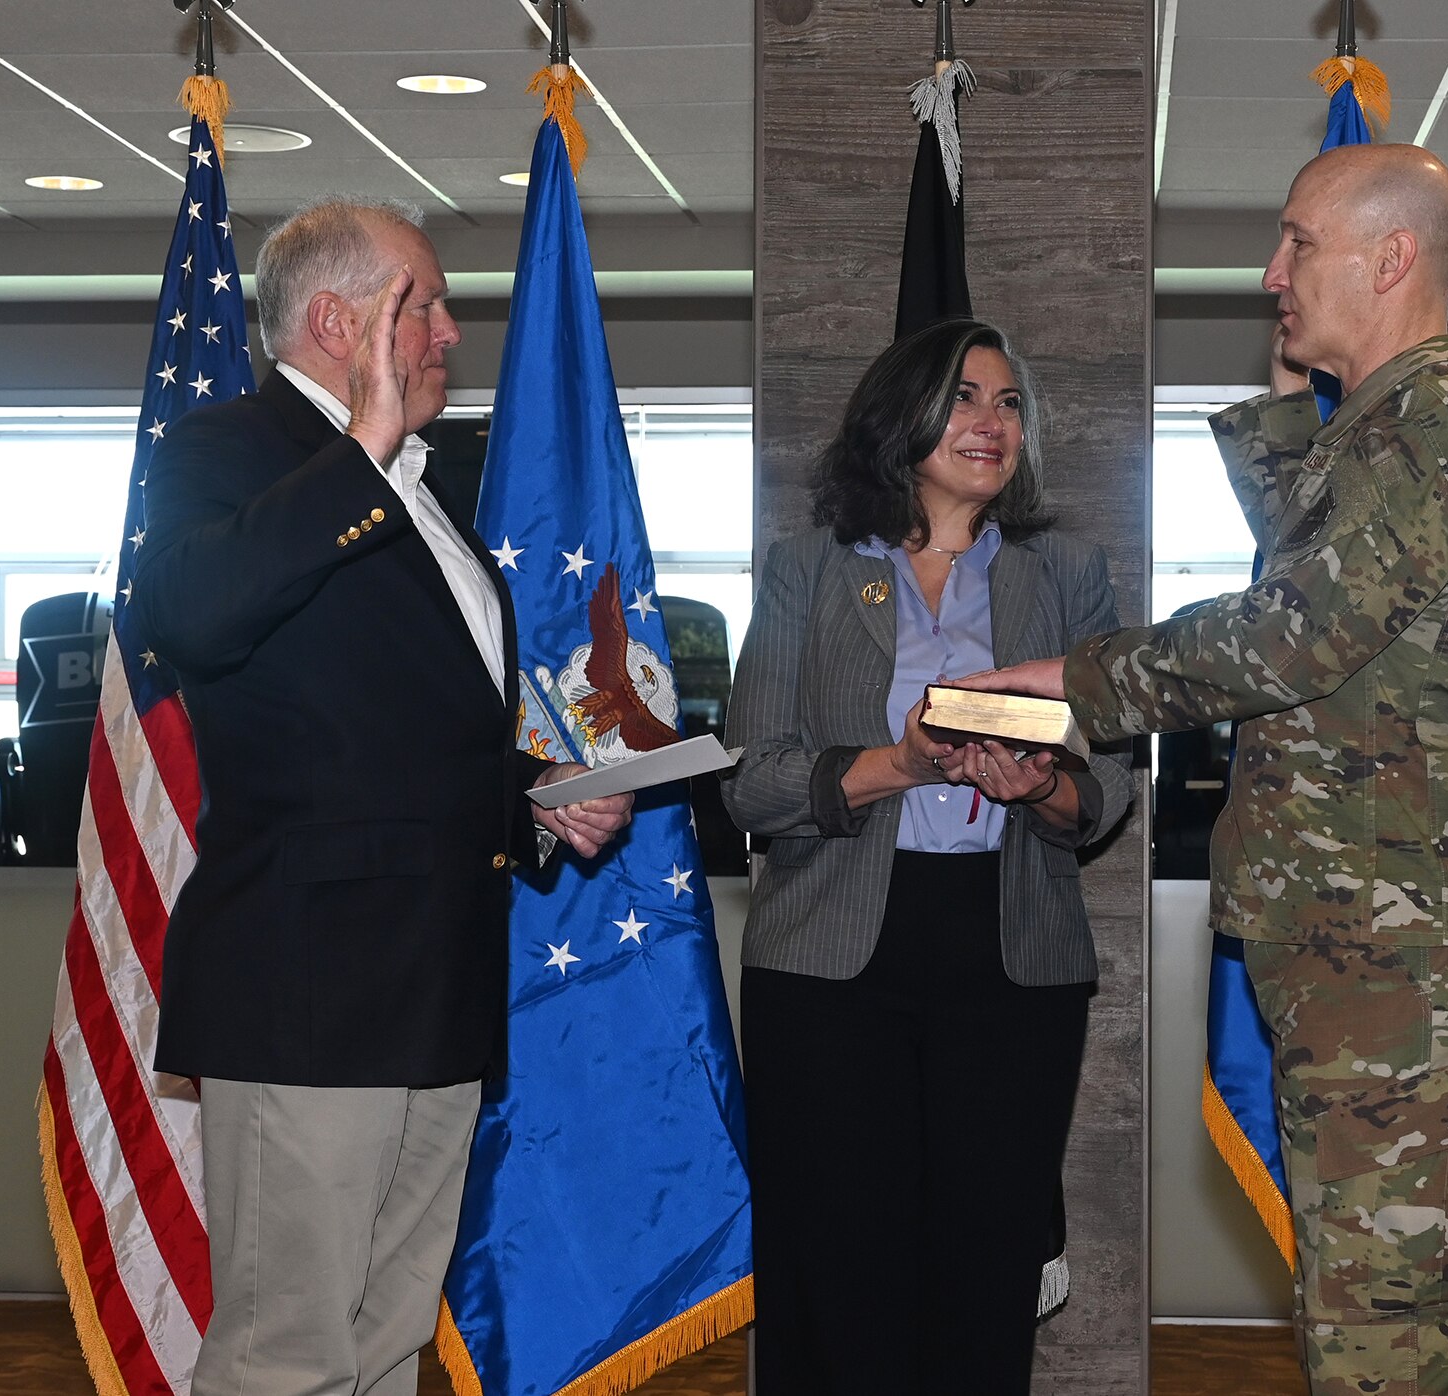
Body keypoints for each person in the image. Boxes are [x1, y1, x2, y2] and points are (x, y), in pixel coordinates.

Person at [969, 144, 1448, 1394]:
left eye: (1296, 243)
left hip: (1411, 956)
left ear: (1389, 258)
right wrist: (1295, 391)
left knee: (1405, 1342)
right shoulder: (1388, 430)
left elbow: (1293, 631)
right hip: (1366, 937)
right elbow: (1317, 574)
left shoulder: (1442, 425)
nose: (1267, 272)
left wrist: (1076, 683)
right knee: (1361, 1315)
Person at [138, 197, 632, 1396]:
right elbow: (192, 615)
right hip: (309, 984)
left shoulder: (424, 488)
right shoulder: (226, 452)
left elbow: (399, 732)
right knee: (285, 1353)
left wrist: (538, 798)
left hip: (437, 983)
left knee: (386, 1339)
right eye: (423, 304)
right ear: (333, 319)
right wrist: (356, 449)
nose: (452, 332)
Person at [721, 318, 1135, 1395]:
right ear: (896, 417)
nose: (988, 423)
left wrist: (1041, 785)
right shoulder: (805, 570)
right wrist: (899, 764)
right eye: (960, 398)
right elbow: (752, 781)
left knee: (984, 1270)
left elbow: (1114, 786)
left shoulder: (1067, 573)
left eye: (1006, 404)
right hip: (828, 968)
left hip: (1009, 962)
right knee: (837, 1273)